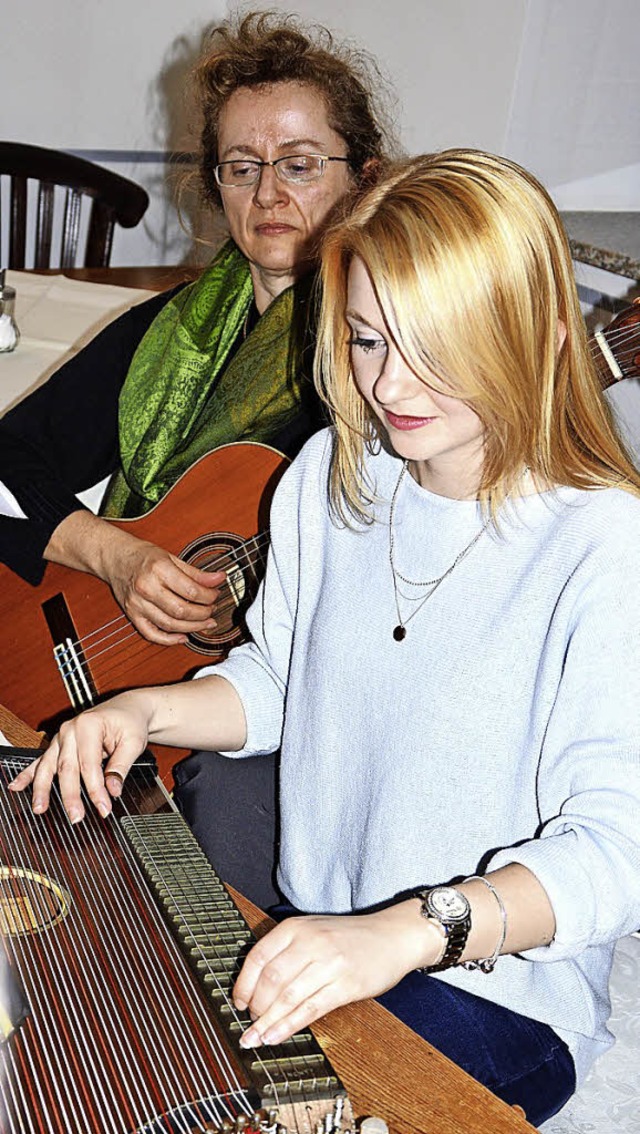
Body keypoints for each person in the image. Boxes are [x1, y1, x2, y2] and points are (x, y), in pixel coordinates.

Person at [12, 149, 640, 1126]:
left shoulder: (603, 544)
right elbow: (280, 682)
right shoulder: (331, 478)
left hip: (494, 989)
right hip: (321, 941)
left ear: (539, 335)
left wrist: (402, 932)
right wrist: (141, 708)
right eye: (366, 340)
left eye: (438, 343)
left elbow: (616, 856)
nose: (394, 385)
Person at [0, 11, 391, 898]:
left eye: (298, 164)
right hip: (92, 648)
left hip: (268, 717)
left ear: (364, 178)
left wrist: (254, 612)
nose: (268, 195)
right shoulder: (171, 332)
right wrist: (115, 551)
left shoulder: (398, 363)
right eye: (242, 168)